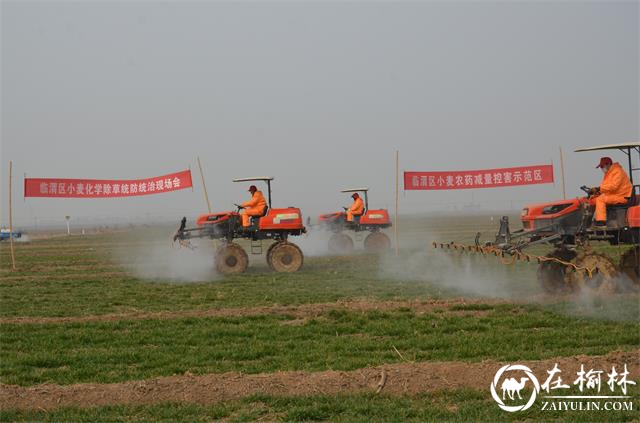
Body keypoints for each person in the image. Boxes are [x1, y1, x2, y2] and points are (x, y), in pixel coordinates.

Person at [590, 157, 633, 225]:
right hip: (615, 194)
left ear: (608, 164)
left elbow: (613, 186)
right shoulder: (609, 174)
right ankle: (592, 221)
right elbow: (606, 188)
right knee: (592, 200)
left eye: (602, 166)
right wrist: (596, 192)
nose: (601, 168)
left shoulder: (618, 172)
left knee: (600, 200)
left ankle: (601, 222)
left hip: (622, 196)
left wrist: (598, 189)